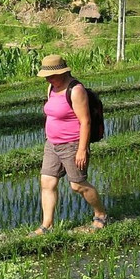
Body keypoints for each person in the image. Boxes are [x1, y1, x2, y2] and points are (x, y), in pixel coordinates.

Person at [34, 54, 108, 234]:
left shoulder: (76, 90)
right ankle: (47, 225)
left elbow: (86, 121)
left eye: (52, 75)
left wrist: (82, 150)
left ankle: (101, 214)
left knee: (77, 185)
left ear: (62, 72)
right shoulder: (51, 87)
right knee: (47, 182)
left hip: (72, 144)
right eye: (46, 76)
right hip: (52, 144)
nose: (49, 79)